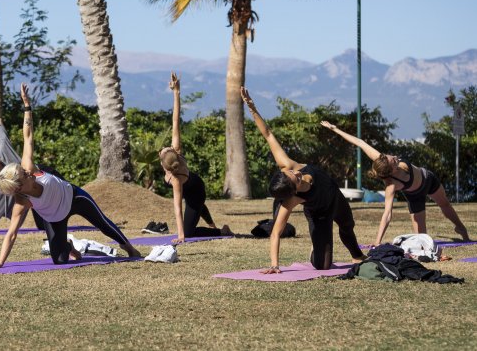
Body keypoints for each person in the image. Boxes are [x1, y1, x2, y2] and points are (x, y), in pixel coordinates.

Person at [0, 84, 141, 267]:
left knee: (102, 223)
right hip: (54, 218)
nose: (27, 171)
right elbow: (11, 234)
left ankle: (130, 248)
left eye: (24, 170)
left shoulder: (29, 167)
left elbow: (28, 136)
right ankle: (68, 246)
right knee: (59, 260)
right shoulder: (22, 202)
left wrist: (27, 106)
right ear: (19, 187)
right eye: (24, 175)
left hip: (73, 197)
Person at [241, 87, 366, 272]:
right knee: (322, 266)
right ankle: (317, 250)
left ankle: (357, 255)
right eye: (296, 181)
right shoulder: (291, 200)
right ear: (294, 191)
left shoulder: (287, 164)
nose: (298, 175)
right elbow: (276, 232)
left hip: (335, 196)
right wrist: (275, 265)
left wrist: (251, 107)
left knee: (347, 226)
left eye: (294, 174)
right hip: (320, 213)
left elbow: (268, 134)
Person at [320, 120, 470, 244]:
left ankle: (461, 229)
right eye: (394, 161)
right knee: (423, 240)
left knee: (445, 204)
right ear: (391, 170)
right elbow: (387, 214)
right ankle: (433, 236)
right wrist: (377, 242)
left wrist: (335, 129)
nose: (395, 157)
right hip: (415, 196)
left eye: (391, 157)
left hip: (428, 179)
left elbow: (359, 143)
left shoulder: (380, 159)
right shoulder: (391, 185)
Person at [159, 72, 232, 244]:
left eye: (163, 151)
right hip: (192, 186)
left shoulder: (176, 179)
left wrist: (181, 235)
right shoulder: (175, 151)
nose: (163, 149)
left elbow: (177, 208)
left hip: (196, 189)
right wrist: (176, 92)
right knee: (196, 205)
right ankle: (207, 219)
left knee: (190, 230)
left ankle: (222, 231)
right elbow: (175, 120)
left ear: (165, 166)